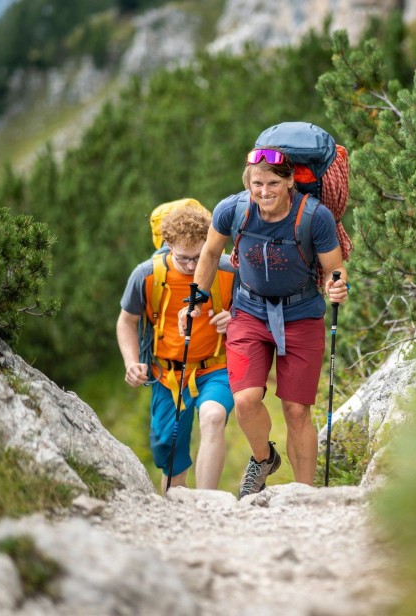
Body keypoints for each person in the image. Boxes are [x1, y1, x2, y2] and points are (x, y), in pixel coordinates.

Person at [181, 147, 349, 499]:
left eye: (273, 182)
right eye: (257, 183)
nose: (264, 191)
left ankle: (303, 495)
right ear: (247, 183)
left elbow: (335, 267)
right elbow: (211, 253)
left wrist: (337, 287)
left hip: (302, 314)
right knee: (244, 400)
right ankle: (263, 458)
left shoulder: (313, 217)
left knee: (297, 410)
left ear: (290, 182)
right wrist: (198, 295)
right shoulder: (233, 210)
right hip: (249, 311)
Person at [116, 205, 237, 492]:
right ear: (167, 244)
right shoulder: (146, 275)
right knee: (169, 453)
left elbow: (257, 313)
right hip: (167, 376)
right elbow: (126, 321)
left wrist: (237, 320)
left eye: (200, 256)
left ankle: (207, 504)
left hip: (217, 367)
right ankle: (177, 509)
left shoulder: (230, 269)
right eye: (184, 259)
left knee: (213, 416)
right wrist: (131, 362)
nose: (193, 266)